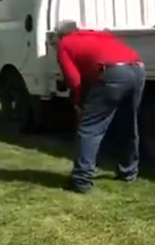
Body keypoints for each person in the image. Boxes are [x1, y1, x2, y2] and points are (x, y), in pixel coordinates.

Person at [56, 21, 146, 194]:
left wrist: (78, 101)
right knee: (128, 123)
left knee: (89, 129)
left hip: (112, 73)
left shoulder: (64, 43)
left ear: (61, 35)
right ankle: (129, 172)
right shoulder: (98, 34)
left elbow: (74, 79)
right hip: (138, 69)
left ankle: (82, 180)